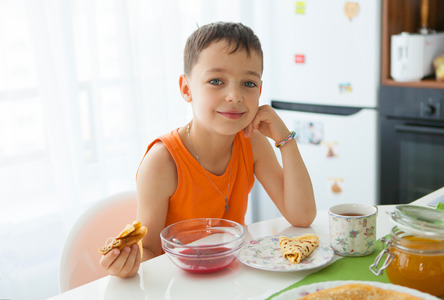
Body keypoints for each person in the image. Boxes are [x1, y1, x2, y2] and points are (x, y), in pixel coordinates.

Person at [99, 21, 316, 278]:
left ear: (260, 90)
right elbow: (149, 251)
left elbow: (302, 216)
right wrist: (126, 264)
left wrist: (285, 139)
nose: (235, 95)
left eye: (248, 83)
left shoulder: (252, 142)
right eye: (216, 80)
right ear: (186, 88)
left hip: (233, 278)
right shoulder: (162, 162)